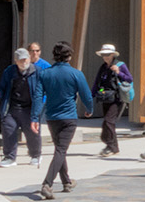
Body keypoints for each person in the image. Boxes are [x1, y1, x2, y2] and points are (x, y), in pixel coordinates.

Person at [36, 42, 93, 199]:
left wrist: (35, 116)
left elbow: (38, 96)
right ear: (69, 56)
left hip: (52, 118)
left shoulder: (45, 74)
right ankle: (47, 184)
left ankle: (66, 182)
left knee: (59, 149)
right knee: (61, 150)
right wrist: (89, 109)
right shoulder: (76, 74)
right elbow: (86, 95)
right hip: (69, 117)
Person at [0, 48, 43, 168]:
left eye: (26, 59)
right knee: (8, 129)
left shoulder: (37, 71)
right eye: (21, 60)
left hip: (30, 108)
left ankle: (36, 155)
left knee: (32, 132)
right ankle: (9, 157)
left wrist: (38, 108)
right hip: (13, 107)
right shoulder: (9, 71)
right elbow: (2, 87)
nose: (24, 62)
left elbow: (42, 91)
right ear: (16, 61)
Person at [92, 44, 133, 157]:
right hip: (105, 97)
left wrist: (119, 72)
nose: (105, 57)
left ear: (113, 55)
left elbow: (129, 79)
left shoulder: (120, 65)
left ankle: (111, 146)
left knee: (109, 121)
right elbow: (97, 82)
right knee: (108, 122)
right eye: (103, 54)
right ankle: (112, 146)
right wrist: (92, 95)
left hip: (116, 98)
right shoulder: (103, 67)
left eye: (107, 54)